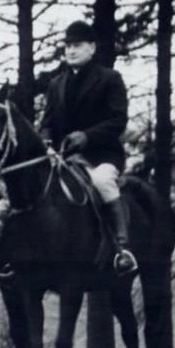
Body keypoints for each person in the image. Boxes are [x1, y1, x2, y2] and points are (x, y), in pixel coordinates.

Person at [38, 20, 137, 275]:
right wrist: (46, 142)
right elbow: (47, 122)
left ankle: (122, 248)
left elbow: (118, 120)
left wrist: (88, 136)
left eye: (77, 45)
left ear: (92, 48)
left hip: (100, 156)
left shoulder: (110, 79)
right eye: (68, 46)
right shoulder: (56, 84)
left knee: (102, 182)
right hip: (63, 158)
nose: (71, 51)